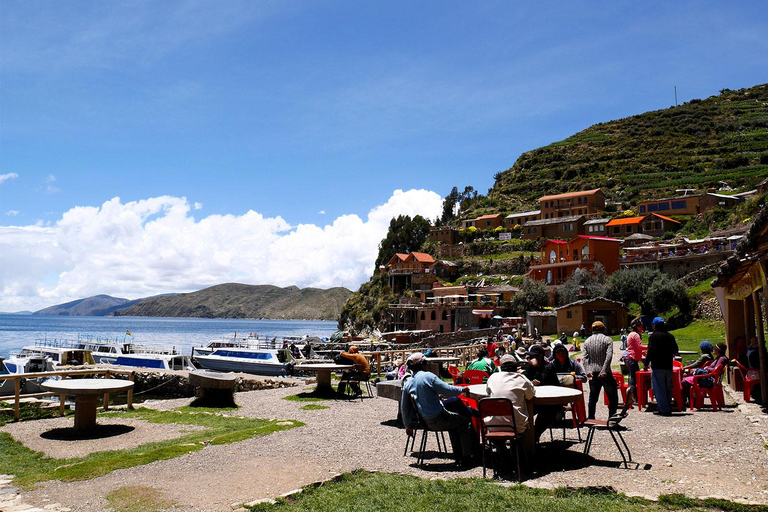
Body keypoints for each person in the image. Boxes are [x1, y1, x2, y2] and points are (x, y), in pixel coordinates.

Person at [400, 353, 478, 467]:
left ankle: (459, 455)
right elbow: (447, 390)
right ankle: (468, 457)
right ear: (423, 364)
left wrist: (408, 425)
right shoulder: (428, 376)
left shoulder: (409, 382)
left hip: (425, 421)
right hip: (438, 417)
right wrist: (462, 389)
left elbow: (404, 407)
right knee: (465, 422)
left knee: (455, 421)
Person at [485, 355, 535, 434]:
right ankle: (523, 444)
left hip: (493, 425)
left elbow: (488, 393)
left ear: (501, 367)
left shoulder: (492, 377)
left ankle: (501, 445)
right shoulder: (521, 378)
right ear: (516, 367)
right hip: (517, 426)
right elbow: (530, 396)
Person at [581, 321, 618, 420]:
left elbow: (584, 358)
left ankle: (591, 417)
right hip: (605, 372)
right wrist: (604, 370)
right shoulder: (607, 340)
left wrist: (588, 371)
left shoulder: (587, 341)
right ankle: (612, 418)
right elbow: (608, 356)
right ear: (603, 329)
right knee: (613, 397)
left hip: (593, 372)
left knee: (593, 397)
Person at [643, 317, 679, 416]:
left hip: (657, 365)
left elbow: (650, 352)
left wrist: (646, 363)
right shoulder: (670, 336)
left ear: (654, 326)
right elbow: (675, 350)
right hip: (668, 366)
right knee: (668, 388)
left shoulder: (654, 337)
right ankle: (667, 406)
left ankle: (663, 410)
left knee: (659, 388)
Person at [624, 318, 645, 400]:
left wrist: (643, 354)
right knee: (634, 379)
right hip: (632, 359)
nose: (642, 328)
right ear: (636, 327)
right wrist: (650, 347)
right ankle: (631, 397)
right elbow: (639, 347)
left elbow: (635, 347)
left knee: (633, 378)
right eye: (641, 326)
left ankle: (632, 397)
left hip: (630, 359)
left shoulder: (632, 334)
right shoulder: (635, 335)